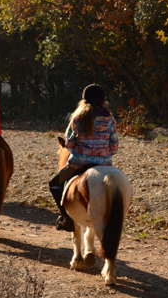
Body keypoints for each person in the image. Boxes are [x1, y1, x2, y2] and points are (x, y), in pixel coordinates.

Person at [49, 84, 119, 231]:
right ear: (103, 101)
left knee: (54, 183)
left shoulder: (78, 118)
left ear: (84, 100)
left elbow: (69, 144)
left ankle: (66, 218)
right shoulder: (109, 119)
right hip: (104, 164)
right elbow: (114, 147)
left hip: (79, 163)